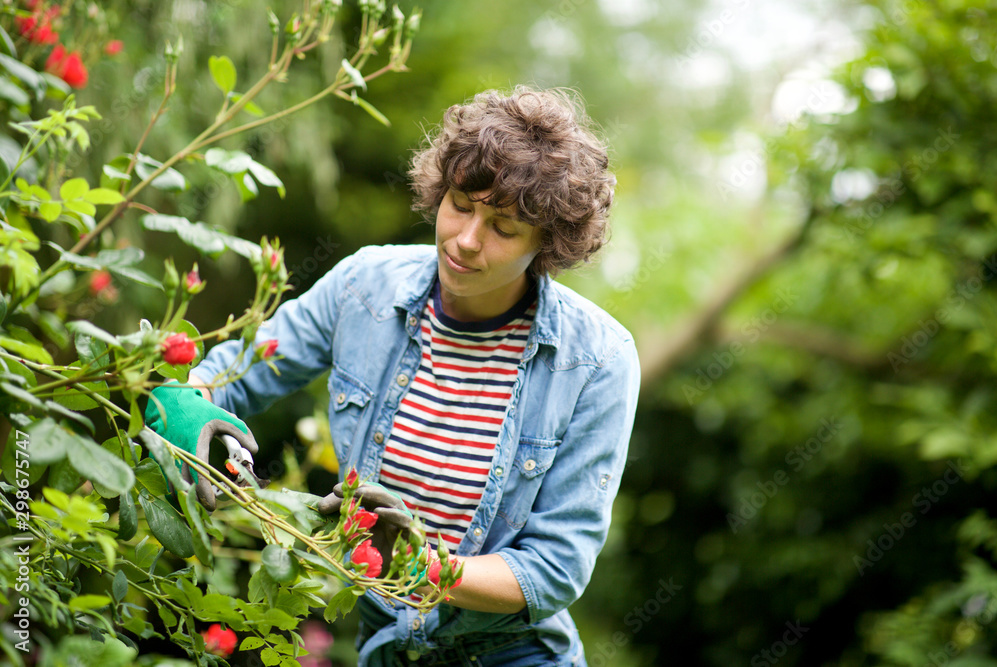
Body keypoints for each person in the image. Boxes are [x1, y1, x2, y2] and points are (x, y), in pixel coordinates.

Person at [149, 86, 641, 666]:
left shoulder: (598, 360)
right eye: (460, 203)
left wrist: (423, 565)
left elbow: (554, 571)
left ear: (546, 245)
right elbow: (226, 374)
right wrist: (186, 415)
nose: (465, 240)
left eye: (503, 229)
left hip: (514, 655)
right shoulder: (364, 287)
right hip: (387, 649)